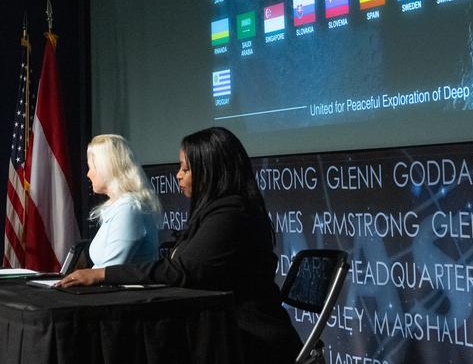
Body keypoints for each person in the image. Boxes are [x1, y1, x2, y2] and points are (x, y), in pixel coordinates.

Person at [59, 126, 301, 363]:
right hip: (219, 332)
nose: (178, 174)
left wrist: (102, 274)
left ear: (211, 172)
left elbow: (183, 270)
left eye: (186, 168)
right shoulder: (215, 210)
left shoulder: (233, 213)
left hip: (247, 337)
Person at [83, 134, 162, 267]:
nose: (88, 174)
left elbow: (110, 270)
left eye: (91, 167)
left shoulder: (128, 208)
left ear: (106, 168)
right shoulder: (118, 207)